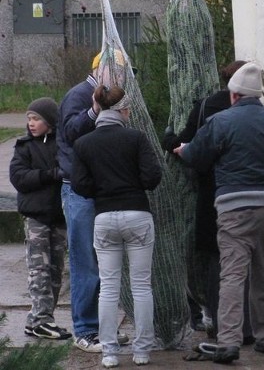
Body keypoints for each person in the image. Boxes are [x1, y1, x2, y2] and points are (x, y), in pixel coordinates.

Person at [173, 62, 264, 364]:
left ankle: (229, 341)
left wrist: (184, 150)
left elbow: (197, 155)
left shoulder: (221, 122)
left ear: (233, 94)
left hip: (233, 205)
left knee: (232, 274)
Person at [162, 60, 255, 348]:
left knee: (218, 261)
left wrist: (169, 140)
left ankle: (219, 321)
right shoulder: (261, 114)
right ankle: (250, 326)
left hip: (212, 193)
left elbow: (186, 145)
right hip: (255, 194)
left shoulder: (206, 107)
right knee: (253, 260)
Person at [71, 85, 162, 368]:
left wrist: (102, 189)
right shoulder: (135, 138)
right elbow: (152, 177)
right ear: (122, 109)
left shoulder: (84, 143)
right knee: (141, 286)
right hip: (137, 214)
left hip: (104, 217)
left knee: (109, 288)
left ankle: (109, 352)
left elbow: (79, 185)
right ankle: (143, 350)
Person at [57, 51, 130, 353]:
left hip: (101, 190)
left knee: (106, 263)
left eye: (124, 74)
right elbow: (72, 132)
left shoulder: (112, 98)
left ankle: (105, 328)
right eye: (118, 73)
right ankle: (85, 330)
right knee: (85, 260)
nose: (123, 79)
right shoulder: (80, 94)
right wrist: (95, 110)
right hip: (78, 191)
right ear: (100, 71)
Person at [9, 97, 71, 340]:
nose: (31, 123)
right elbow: (19, 177)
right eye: (29, 118)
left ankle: (39, 319)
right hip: (36, 217)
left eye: (37, 119)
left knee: (56, 269)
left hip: (58, 217)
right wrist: (49, 175)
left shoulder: (61, 145)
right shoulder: (24, 146)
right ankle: (42, 319)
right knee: (39, 269)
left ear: (50, 122)